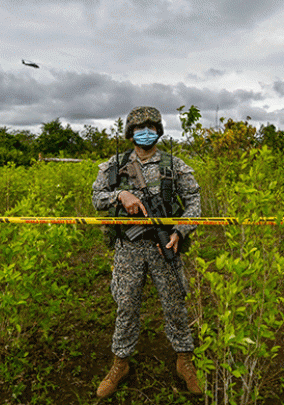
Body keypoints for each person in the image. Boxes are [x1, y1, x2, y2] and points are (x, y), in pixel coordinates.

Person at [91, 106, 203, 398]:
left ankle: (184, 360)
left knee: (175, 304)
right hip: (128, 248)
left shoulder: (174, 165)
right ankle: (120, 362)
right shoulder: (113, 166)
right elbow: (96, 198)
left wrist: (179, 230)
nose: (146, 132)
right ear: (130, 133)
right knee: (126, 306)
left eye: (151, 127)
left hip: (163, 245)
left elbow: (194, 203)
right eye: (140, 128)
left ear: (159, 131)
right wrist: (120, 194)